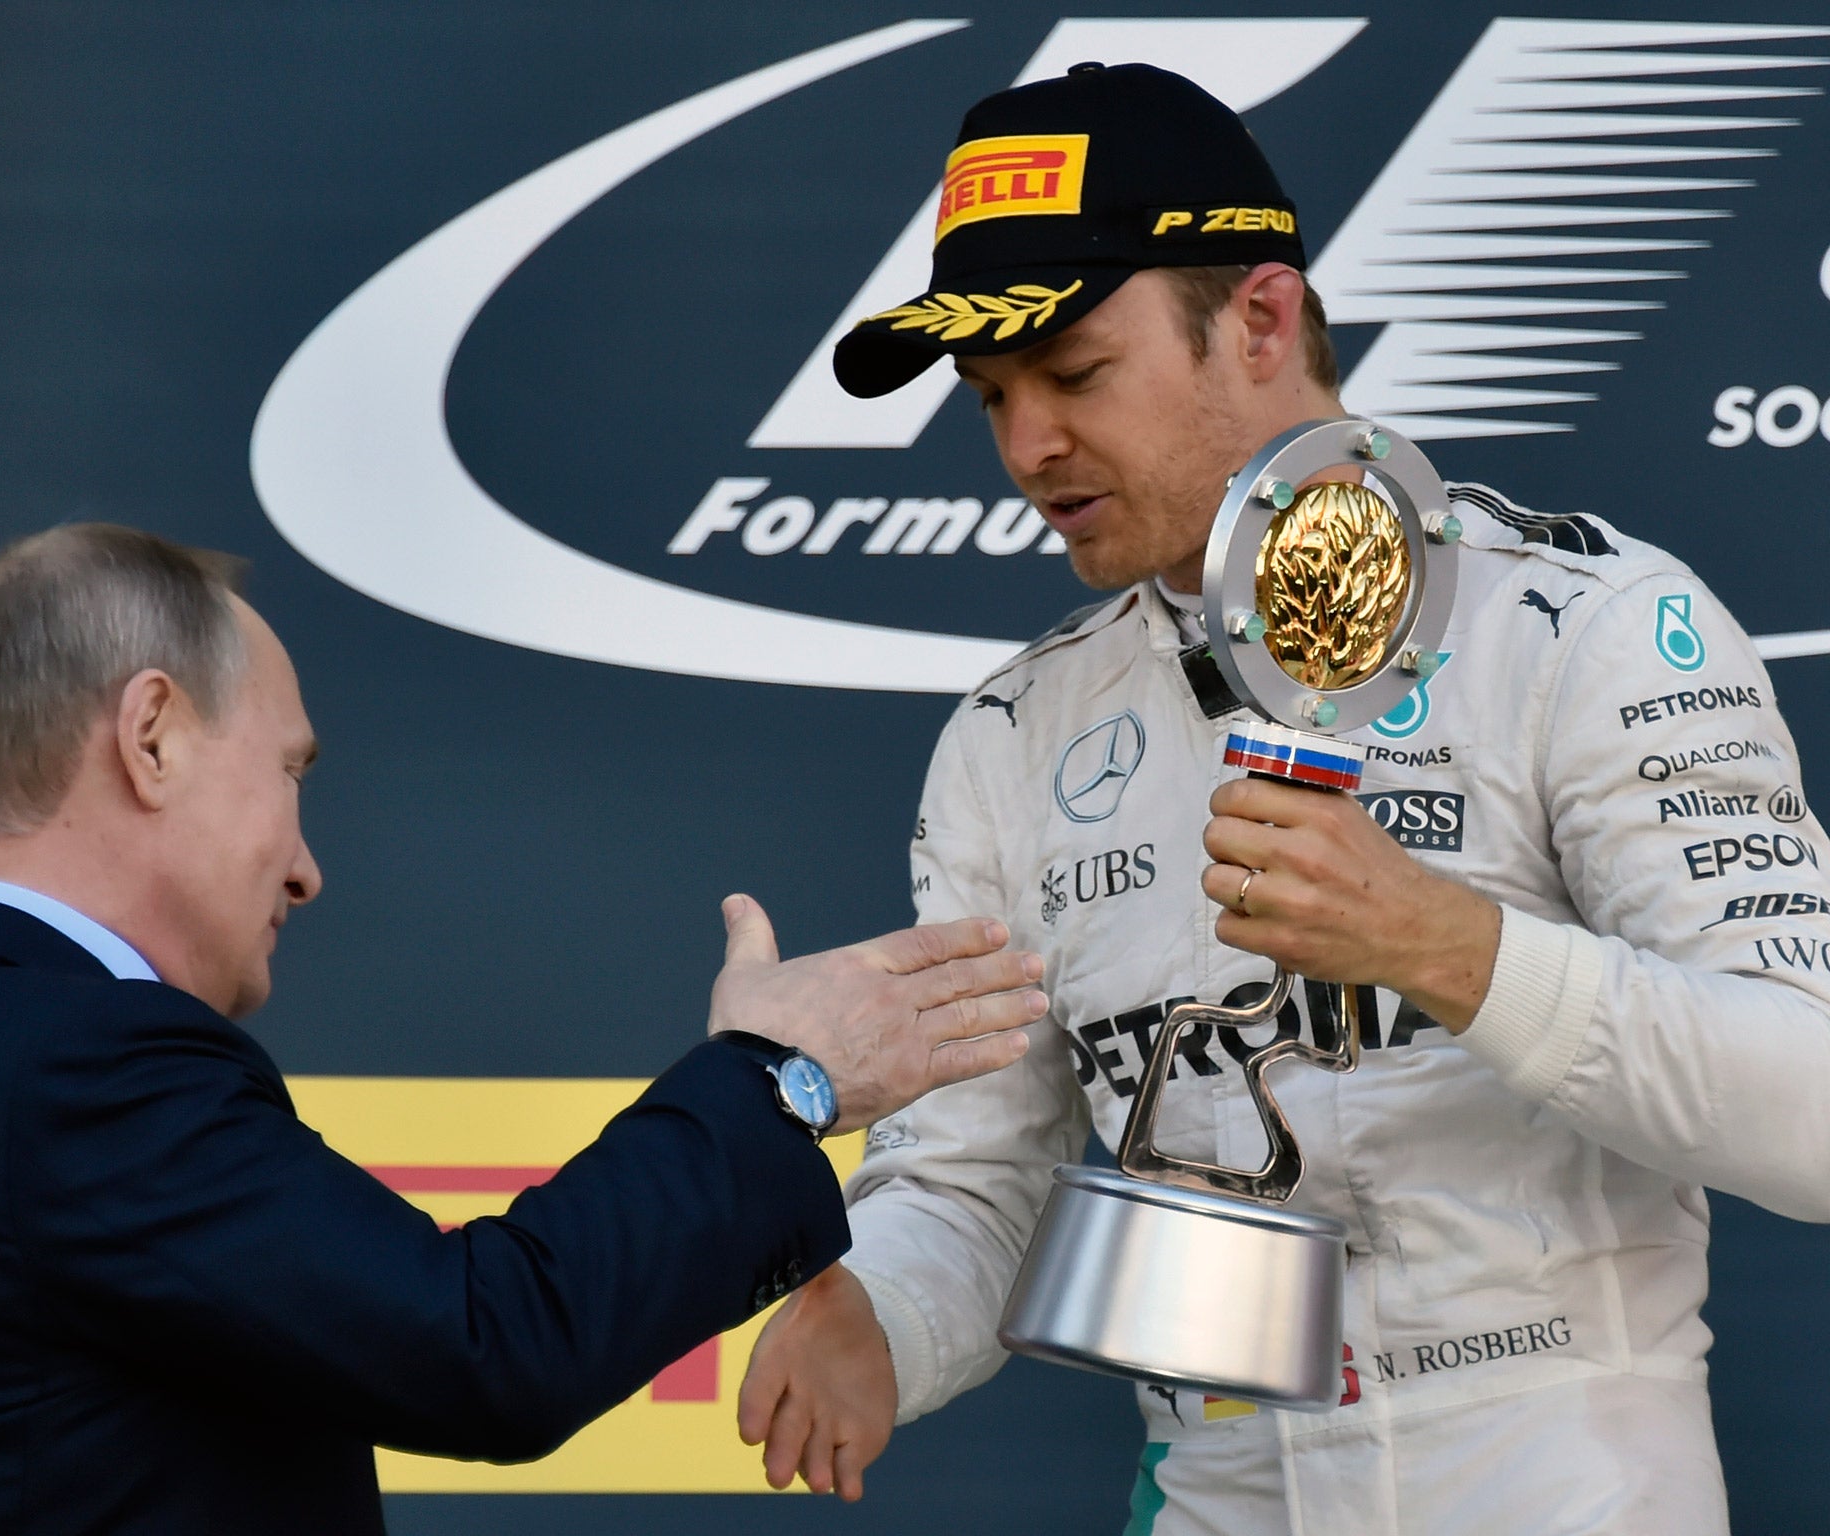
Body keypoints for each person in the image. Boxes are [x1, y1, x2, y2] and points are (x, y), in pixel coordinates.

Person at [737, 61, 1830, 1533]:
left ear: (1259, 316)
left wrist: (1451, 950)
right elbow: (976, 1178)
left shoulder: (1580, 629)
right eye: (990, 396)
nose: (1024, 448)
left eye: (1072, 375)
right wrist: (880, 1314)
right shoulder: (1015, 735)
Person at [0, 523, 1050, 1534]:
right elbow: (484, 1344)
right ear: (151, 736)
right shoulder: (70, 1067)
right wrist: (783, 1086)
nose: (304, 870)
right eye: (290, 773)